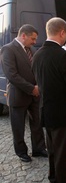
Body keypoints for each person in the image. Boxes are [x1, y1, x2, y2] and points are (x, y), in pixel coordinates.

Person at [32, 17, 66, 182]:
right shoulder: (63, 56)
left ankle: (54, 177)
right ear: (62, 32)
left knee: (53, 151)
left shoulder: (37, 55)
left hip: (47, 112)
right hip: (63, 115)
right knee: (65, 153)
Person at [0, 24, 47, 162]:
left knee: (37, 123)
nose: (34, 42)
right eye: (33, 38)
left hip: (35, 96)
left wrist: (38, 85)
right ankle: (21, 152)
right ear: (23, 35)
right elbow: (12, 75)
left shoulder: (31, 49)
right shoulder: (7, 49)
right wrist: (32, 88)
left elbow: (36, 69)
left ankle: (39, 148)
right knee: (18, 127)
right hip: (19, 95)